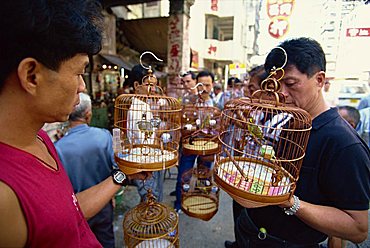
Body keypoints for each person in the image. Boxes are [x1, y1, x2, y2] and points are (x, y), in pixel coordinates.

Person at [0, 1, 148, 247]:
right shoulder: (5, 195)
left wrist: (123, 175)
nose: (82, 86)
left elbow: (67, 212)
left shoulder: (41, 139)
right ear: (31, 76)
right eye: (79, 72)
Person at [233, 37, 370, 248]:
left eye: (290, 84)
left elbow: (357, 228)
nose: (281, 94)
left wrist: (290, 202)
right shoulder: (290, 121)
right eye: (275, 85)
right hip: (252, 232)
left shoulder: (343, 144)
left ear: (319, 80)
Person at [55, 93, 117, 247]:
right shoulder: (104, 136)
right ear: (88, 114)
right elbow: (115, 167)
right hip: (104, 202)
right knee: (106, 240)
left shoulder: (58, 147)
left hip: (78, 208)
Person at [224, 65, 268, 248]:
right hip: (242, 174)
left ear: (267, 89)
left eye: (251, 88)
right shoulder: (255, 112)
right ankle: (238, 242)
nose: (246, 91)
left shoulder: (280, 119)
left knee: (252, 223)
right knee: (239, 214)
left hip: (259, 182)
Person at [173, 70, 217, 212]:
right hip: (189, 144)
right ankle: (180, 203)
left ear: (213, 85)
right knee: (183, 175)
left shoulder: (217, 105)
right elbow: (180, 123)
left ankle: (200, 198)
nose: (204, 88)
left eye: (207, 85)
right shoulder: (188, 102)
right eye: (200, 85)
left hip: (208, 146)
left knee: (203, 174)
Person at [127, 64, 165, 202]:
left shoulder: (143, 105)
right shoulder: (137, 108)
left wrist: (155, 121)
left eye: (155, 85)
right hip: (145, 162)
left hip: (148, 159)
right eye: (149, 85)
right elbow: (146, 138)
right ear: (137, 85)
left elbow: (148, 130)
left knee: (155, 196)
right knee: (151, 199)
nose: (154, 89)